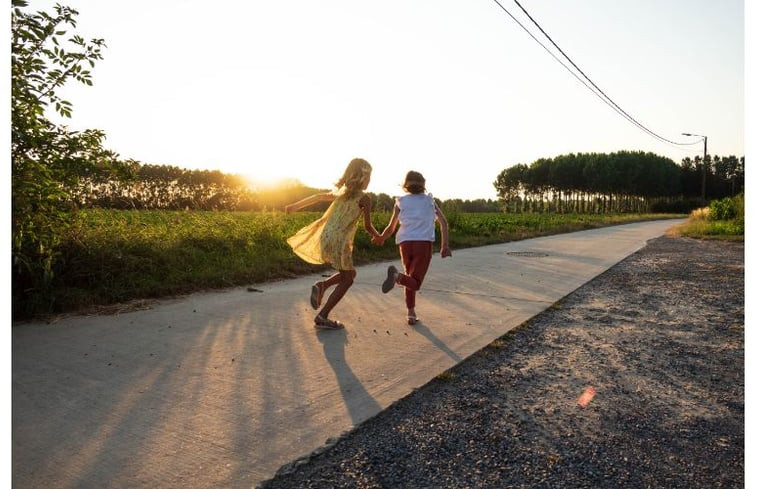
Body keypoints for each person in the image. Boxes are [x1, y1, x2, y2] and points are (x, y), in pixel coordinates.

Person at [285, 158, 381, 330]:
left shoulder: (340, 193)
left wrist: (295, 206)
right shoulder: (365, 199)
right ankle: (322, 316)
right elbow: (367, 226)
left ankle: (322, 285)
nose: (369, 181)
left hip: (326, 236)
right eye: (368, 177)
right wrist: (378, 236)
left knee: (350, 273)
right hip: (340, 241)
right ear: (361, 178)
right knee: (348, 279)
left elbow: (317, 197)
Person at [373, 170, 451, 325]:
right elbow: (443, 223)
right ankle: (396, 277)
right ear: (423, 184)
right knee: (415, 282)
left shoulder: (400, 201)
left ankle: (410, 312)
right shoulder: (429, 201)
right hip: (423, 244)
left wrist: (381, 237)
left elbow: (391, 227)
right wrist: (444, 246)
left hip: (405, 243)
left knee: (410, 277)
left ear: (405, 185)